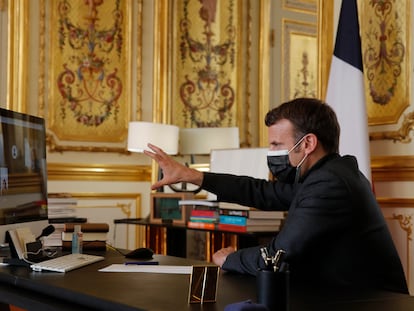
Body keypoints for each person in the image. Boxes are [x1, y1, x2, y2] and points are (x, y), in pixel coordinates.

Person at [144, 97, 408, 293]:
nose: (271, 152)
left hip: (368, 303)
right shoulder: (327, 173)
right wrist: (193, 176)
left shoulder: (330, 183)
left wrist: (230, 259)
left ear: (307, 143)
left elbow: (278, 256)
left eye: (276, 145)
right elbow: (261, 192)